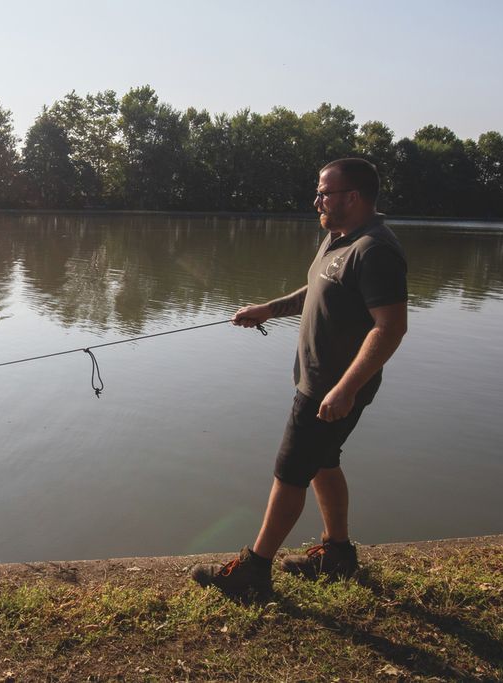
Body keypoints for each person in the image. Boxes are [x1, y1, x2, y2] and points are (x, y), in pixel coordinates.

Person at [191, 158, 408, 599]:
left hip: (332, 388)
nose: (317, 200)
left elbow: (390, 328)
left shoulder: (375, 250)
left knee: (289, 474)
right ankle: (338, 554)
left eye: (325, 192)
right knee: (323, 463)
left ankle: (254, 570)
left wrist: (345, 388)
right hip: (320, 383)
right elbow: (319, 289)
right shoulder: (339, 240)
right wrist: (268, 309)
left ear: (353, 196)